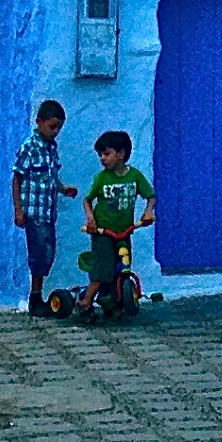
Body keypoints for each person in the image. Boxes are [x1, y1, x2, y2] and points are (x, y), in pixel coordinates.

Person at [76, 129, 155, 319]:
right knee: (103, 269)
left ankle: (111, 301)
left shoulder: (134, 176)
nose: (102, 158)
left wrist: (148, 212)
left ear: (121, 154)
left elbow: (150, 196)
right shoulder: (102, 178)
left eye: (106, 154)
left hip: (124, 232)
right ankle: (85, 302)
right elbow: (87, 200)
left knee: (121, 266)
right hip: (103, 232)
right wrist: (91, 220)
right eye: (100, 155)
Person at [10, 99, 75, 316]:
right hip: (33, 212)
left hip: (48, 212)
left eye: (59, 128)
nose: (55, 132)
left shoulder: (51, 149)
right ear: (39, 122)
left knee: (49, 253)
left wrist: (63, 189)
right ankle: (35, 297)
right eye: (52, 126)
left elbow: (51, 176)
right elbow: (17, 178)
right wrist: (18, 210)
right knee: (39, 254)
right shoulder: (29, 147)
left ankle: (38, 294)